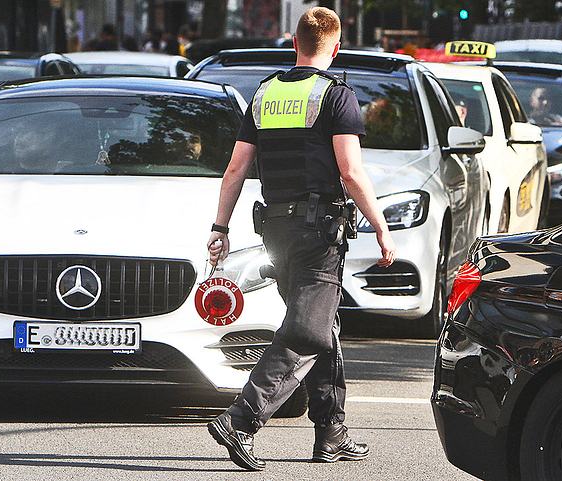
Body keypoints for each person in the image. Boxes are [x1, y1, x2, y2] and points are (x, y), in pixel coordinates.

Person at [205, 7, 395, 471]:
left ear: (295, 44)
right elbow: (350, 173)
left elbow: (235, 169)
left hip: (275, 231)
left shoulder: (265, 94)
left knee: (321, 325)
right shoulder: (337, 96)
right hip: (318, 233)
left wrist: (220, 227)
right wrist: (381, 225)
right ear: (334, 46)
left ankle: (332, 434)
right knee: (308, 331)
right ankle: (242, 418)